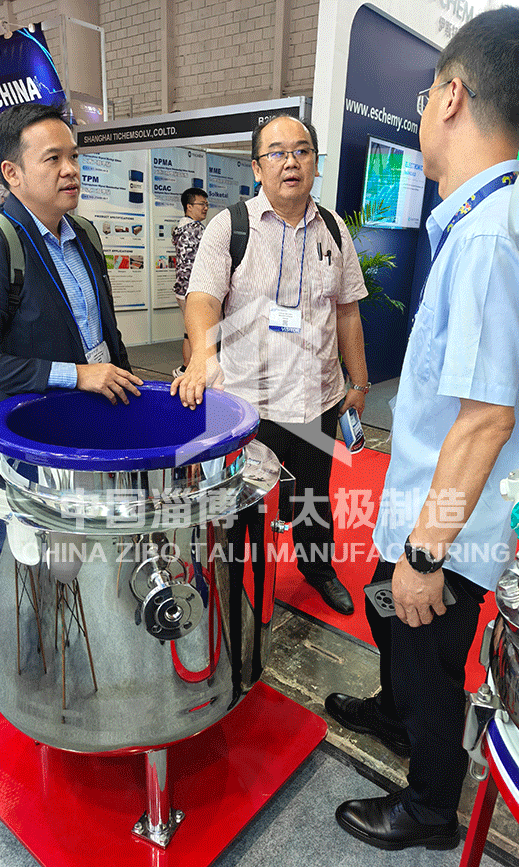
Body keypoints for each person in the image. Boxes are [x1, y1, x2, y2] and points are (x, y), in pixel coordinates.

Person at [326, 6, 519, 851]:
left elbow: (486, 418)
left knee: (428, 653)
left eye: (427, 95)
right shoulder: (491, 221)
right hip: (426, 501)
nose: (424, 110)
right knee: (390, 620)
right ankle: (395, 714)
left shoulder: (489, 242)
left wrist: (426, 555)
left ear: (451, 97)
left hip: (448, 527)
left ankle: (429, 804)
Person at [170, 114, 369, 616]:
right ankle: (238, 582)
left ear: (315, 163)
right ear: (258, 167)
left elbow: (347, 311)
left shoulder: (334, 230)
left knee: (314, 498)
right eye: (277, 152)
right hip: (250, 404)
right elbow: (202, 298)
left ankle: (318, 570)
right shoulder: (230, 226)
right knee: (244, 505)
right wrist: (203, 357)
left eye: (301, 151)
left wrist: (360, 381)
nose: (290, 162)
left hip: (317, 397)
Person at [0, 102, 142, 420]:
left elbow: (108, 333)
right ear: (12, 173)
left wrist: (130, 398)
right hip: (33, 428)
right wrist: (76, 375)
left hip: (97, 419)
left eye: (73, 156)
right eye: (53, 158)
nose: (70, 169)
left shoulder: (85, 234)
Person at [171, 187, 209, 378]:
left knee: (189, 330)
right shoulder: (196, 229)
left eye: (206, 204)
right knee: (198, 332)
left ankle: (186, 368)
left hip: (182, 288)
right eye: (201, 204)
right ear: (189, 206)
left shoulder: (180, 228)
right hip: (194, 289)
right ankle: (190, 370)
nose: (205, 208)